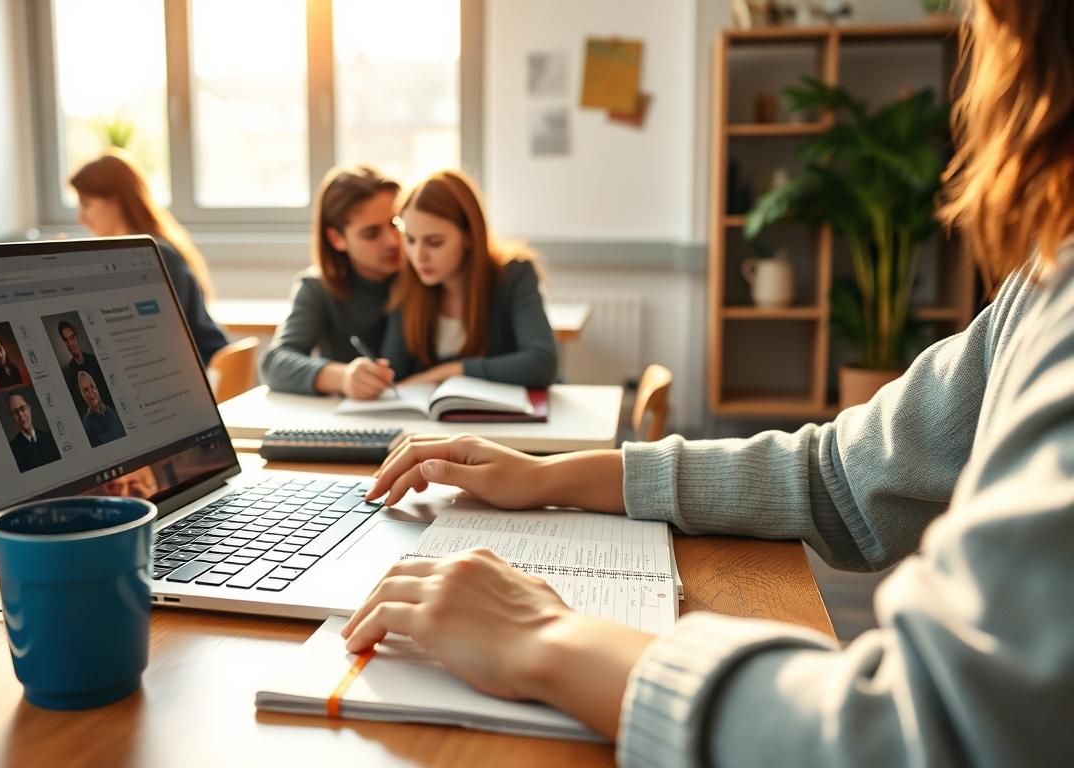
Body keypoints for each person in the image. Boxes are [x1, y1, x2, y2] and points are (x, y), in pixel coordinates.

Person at [348, 2, 1074, 763]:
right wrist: (548, 475)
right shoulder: (1041, 287)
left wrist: (545, 637)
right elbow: (836, 477)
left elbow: (932, 736)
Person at [379, 170, 557, 388]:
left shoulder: (514, 275)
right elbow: (394, 377)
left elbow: (541, 363)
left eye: (435, 242)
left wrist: (452, 371)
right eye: (410, 240)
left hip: (509, 418)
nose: (418, 257)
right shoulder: (407, 284)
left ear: (469, 237)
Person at [70, 149, 228, 364]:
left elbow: (152, 339)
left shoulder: (154, 256)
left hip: (194, 370)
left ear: (117, 200)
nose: (81, 218)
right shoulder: (153, 248)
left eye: (86, 204)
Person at [260, 165, 403, 398]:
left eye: (396, 223)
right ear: (337, 239)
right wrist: (343, 377)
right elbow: (274, 363)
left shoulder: (424, 276)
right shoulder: (317, 287)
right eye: (371, 233)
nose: (392, 241)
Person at [57, 319, 113, 415]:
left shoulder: (95, 361)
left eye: (72, 337)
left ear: (77, 337)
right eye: (66, 340)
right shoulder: (68, 373)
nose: (70, 344)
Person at [6, 393, 61, 472]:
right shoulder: (12, 450)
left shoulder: (51, 438)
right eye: (15, 412)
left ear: (29, 408)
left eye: (22, 408)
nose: (21, 415)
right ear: (13, 417)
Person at [77, 370, 125, 447]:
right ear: (83, 394)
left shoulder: (110, 410)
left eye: (92, 386)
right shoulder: (88, 423)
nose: (91, 392)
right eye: (86, 390)